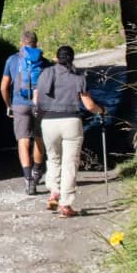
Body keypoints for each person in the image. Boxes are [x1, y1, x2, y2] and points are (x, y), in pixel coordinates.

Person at [34, 44, 105, 218]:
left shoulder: (45, 74)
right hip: (71, 121)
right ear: (72, 59)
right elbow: (89, 106)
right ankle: (65, 204)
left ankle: (53, 193)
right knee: (70, 163)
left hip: (48, 121)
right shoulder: (78, 78)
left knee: (53, 158)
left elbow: (36, 100)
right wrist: (102, 110)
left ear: (56, 58)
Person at [0, 29, 47, 194]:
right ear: (36, 43)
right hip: (39, 105)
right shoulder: (43, 61)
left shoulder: (12, 60)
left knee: (23, 141)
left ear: (21, 43)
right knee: (39, 139)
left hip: (19, 104)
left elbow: (4, 86)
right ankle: (37, 171)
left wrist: (9, 105)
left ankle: (28, 180)